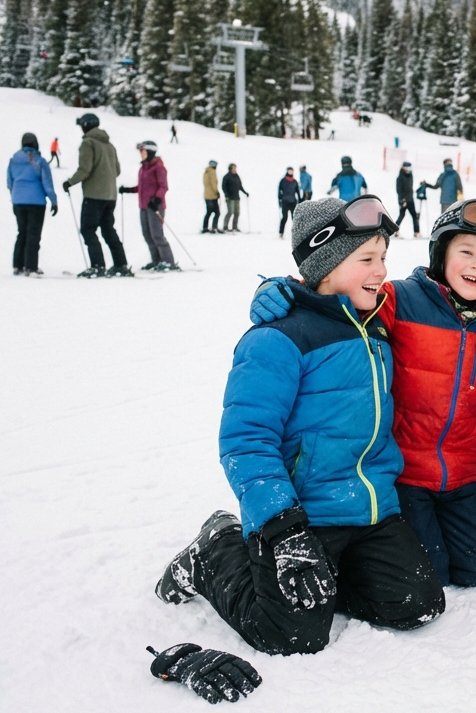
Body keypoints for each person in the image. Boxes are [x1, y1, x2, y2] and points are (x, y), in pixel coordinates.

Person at [154, 197, 445, 655]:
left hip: (369, 510)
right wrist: (282, 527)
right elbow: (246, 440)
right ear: (324, 265)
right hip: (300, 517)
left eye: (383, 257)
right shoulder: (277, 339)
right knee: (291, 636)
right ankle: (214, 550)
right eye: (366, 259)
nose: (381, 271)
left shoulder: (374, 328)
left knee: (418, 606)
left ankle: (326, 582)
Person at [249, 199, 476, 589]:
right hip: (404, 474)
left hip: (461, 474)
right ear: (441, 254)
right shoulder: (399, 299)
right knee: (430, 573)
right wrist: (285, 289)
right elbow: (340, 305)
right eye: (466, 252)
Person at [63, 112, 129, 278]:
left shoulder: (88, 143)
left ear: (86, 126)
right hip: (110, 196)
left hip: (94, 195)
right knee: (108, 230)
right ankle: (121, 264)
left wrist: (69, 182)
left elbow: (85, 169)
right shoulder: (110, 145)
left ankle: (98, 266)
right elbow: (117, 170)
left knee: (88, 230)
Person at [119, 141, 177, 272]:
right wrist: (128, 190)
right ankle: (157, 260)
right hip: (144, 206)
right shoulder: (143, 168)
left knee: (157, 235)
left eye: (143, 151)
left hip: (155, 206)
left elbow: (163, 186)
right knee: (147, 235)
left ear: (150, 152)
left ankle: (168, 261)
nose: (141, 154)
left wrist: (157, 199)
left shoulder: (158, 167)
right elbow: (142, 187)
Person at [8, 132, 57, 276]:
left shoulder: (13, 160)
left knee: (22, 232)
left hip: (18, 201)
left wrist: (15, 196)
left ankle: (18, 265)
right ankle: (31, 267)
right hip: (36, 202)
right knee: (33, 234)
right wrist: (54, 201)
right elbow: (47, 183)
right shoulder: (39, 161)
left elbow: (9, 182)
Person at [395, 161, 420, 237]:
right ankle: (395, 230)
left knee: (414, 215)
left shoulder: (410, 176)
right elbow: (399, 190)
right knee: (402, 215)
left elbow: (410, 188)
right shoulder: (400, 177)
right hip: (404, 200)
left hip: (410, 200)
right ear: (403, 168)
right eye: (407, 167)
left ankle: (416, 232)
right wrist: (402, 200)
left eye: (409, 168)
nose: (408, 169)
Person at [222, 163, 248, 232]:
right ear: (230, 169)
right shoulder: (226, 177)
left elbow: (240, 186)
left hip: (236, 197)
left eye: (235, 168)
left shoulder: (237, 176)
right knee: (230, 212)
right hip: (230, 198)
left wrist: (245, 193)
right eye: (233, 168)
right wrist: (226, 195)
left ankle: (235, 227)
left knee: (237, 213)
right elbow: (223, 187)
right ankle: (225, 226)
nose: (235, 169)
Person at [278, 167, 299, 239]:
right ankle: (281, 232)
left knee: (295, 218)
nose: (291, 172)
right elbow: (279, 191)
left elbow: (298, 191)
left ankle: (296, 233)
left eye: (292, 171)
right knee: (284, 218)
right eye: (289, 171)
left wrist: (299, 200)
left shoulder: (294, 181)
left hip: (293, 202)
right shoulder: (283, 181)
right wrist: (279, 200)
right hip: (285, 202)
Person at [202, 160, 221, 233]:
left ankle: (205, 227)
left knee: (208, 212)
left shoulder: (206, 172)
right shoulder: (212, 172)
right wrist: (217, 192)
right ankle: (214, 227)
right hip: (212, 196)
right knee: (217, 212)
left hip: (207, 195)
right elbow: (213, 183)